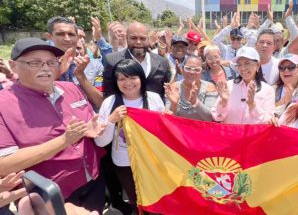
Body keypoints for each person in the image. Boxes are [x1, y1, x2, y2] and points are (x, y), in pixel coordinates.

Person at [0, 38, 105, 213]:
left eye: (51, 62)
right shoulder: (4, 105)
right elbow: (5, 164)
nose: (46, 68)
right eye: (35, 63)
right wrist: (64, 140)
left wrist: (90, 129)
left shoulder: (70, 88)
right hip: (50, 195)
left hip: (93, 180)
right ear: (14, 65)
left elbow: (89, 120)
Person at [95, 59, 164, 212]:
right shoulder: (109, 103)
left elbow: (163, 134)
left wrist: (171, 110)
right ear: (116, 81)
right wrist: (111, 120)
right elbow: (100, 142)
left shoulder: (154, 98)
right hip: (124, 163)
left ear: (141, 78)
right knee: (136, 200)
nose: (128, 83)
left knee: (156, 198)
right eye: (121, 78)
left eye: (132, 77)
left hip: (152, 161)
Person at [102, 21, 171, 100]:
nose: (138, 42)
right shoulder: (112, 61)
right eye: (133, 38)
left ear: (148, 39)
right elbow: (109, 94)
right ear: (126, 38)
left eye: (142, 38)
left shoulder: (162, 62)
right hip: (125, 111)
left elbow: (165, 93)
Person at [212, 47, 275, 124]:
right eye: (239, 65)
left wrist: (253, 105)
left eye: (247, 63)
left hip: (254, 135)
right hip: (230, 135)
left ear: (258, 65)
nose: (243, 68)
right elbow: (217, 117)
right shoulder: (228, 86)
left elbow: (268, 121)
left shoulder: (267, 90)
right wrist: (223, 102)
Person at [164, 56, 218, 121]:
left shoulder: (209, 87)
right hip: (178, 129)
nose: (192, 72)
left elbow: (210, 118)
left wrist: (195, 102)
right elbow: (168, 119)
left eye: (197, 70)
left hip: (201, 129)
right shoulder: (174, 87)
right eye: (188, 68)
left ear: (202, 72)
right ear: (182, 70)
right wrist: (174, 104)